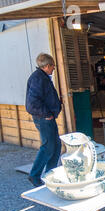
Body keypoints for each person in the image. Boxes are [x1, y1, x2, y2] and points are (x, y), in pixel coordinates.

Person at [25, 53, 62, 187]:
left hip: (47, 118)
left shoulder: (42, 77)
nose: (54, 69)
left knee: (56, 146)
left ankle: (50, 175)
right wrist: (46, 113)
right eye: (53, 66)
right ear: (47, 66)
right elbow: (31, 103)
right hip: (44, 119)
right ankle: (34, 175)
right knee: (48, 146)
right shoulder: (38, 78)